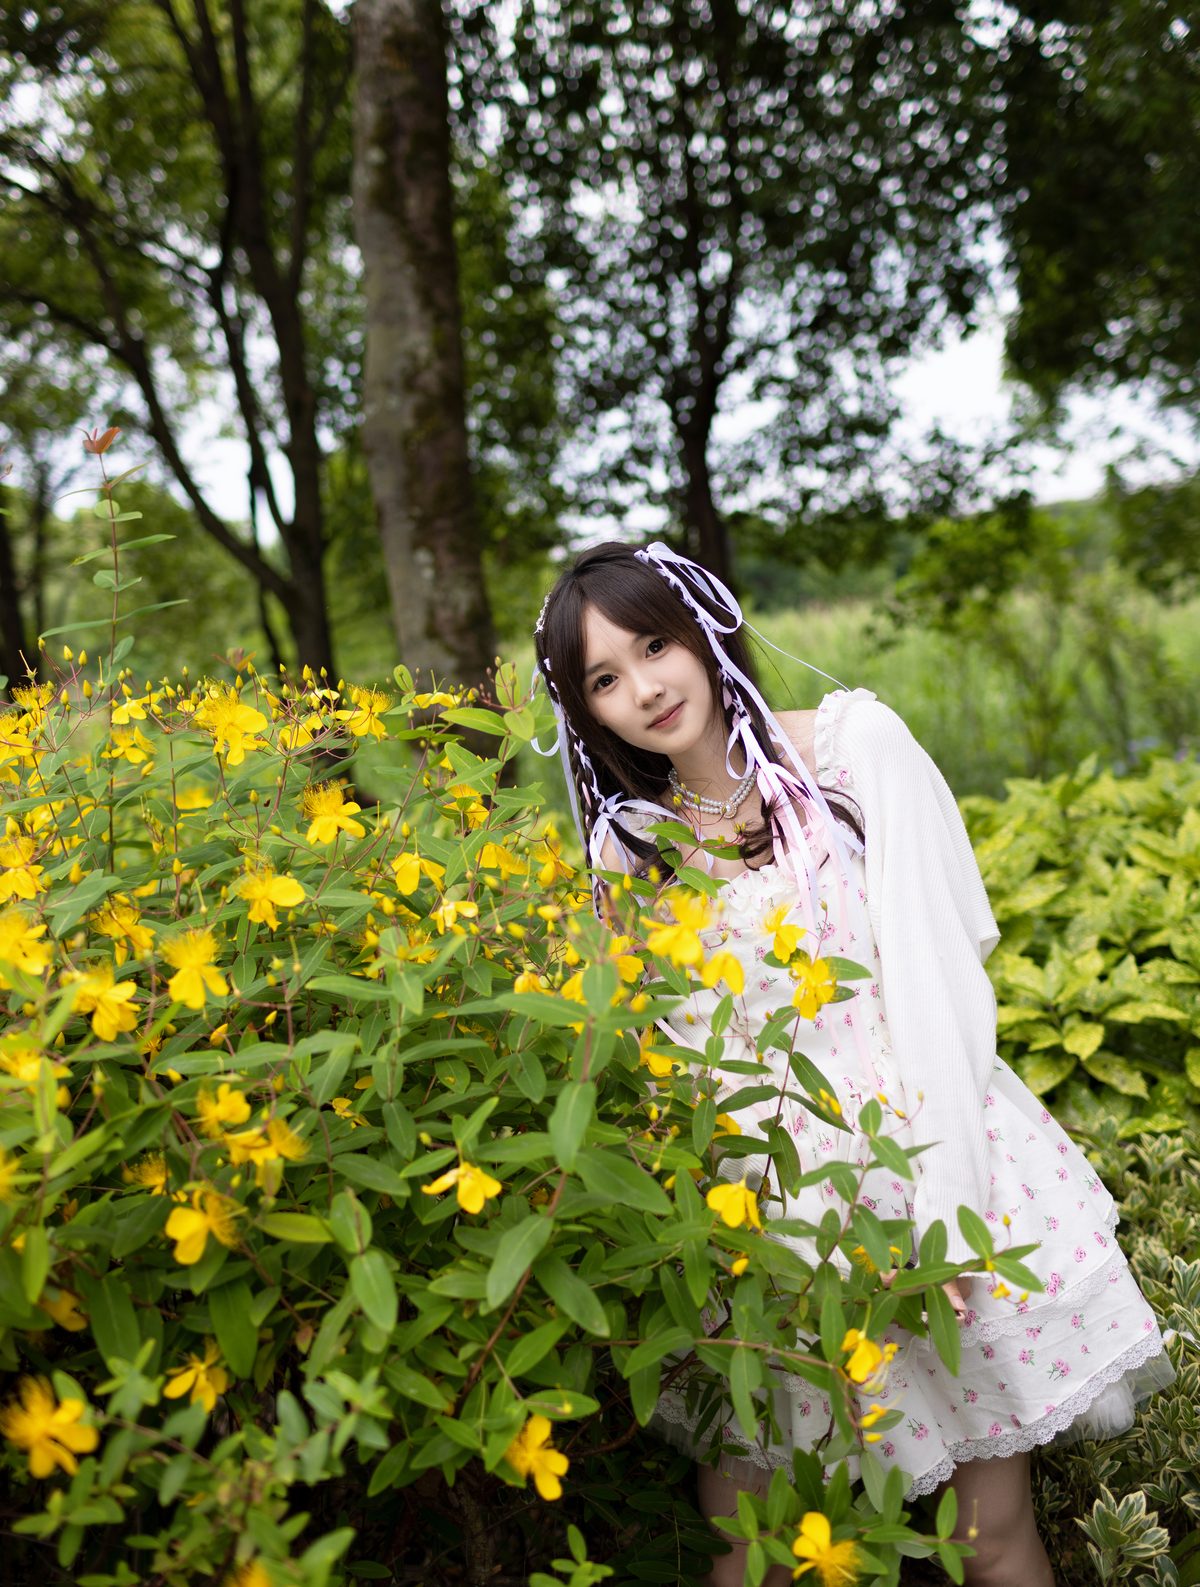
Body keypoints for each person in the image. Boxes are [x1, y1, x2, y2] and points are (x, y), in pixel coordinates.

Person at [533, 541, 1173, 1587]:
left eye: (654, 645)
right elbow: (661, 1069)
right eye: (604, 679)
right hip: (765, 1238)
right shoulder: (628, 850)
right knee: (751, 1540)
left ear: (704, 629)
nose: (643, 688)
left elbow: (940, 984)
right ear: (585, 712)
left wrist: (949, 1217)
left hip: (929, 1180)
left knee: (987, 1537)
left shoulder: (850, 749)